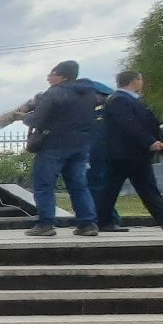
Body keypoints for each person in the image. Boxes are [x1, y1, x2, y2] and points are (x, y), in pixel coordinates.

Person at [96, 71, 163, 232]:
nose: (142, 82)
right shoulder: (119, 100)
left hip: (135, 153)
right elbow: (129, 124)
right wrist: (150, 141)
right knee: (112, 188)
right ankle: (101, 221)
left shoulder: (129, 99)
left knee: (145, 186)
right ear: (134, 81)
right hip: (124, 153)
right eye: (140, 79)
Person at [23, 60, 99, 237]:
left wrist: (24, 117)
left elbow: (39, 120)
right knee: (79, 185)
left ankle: (45, 224)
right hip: (81, 144)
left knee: (44, 184)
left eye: (52, 74)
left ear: (62, 76)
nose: (48, 78)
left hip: (54, 145)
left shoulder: (53, 93)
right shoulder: (88, 93)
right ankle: (87, 224)